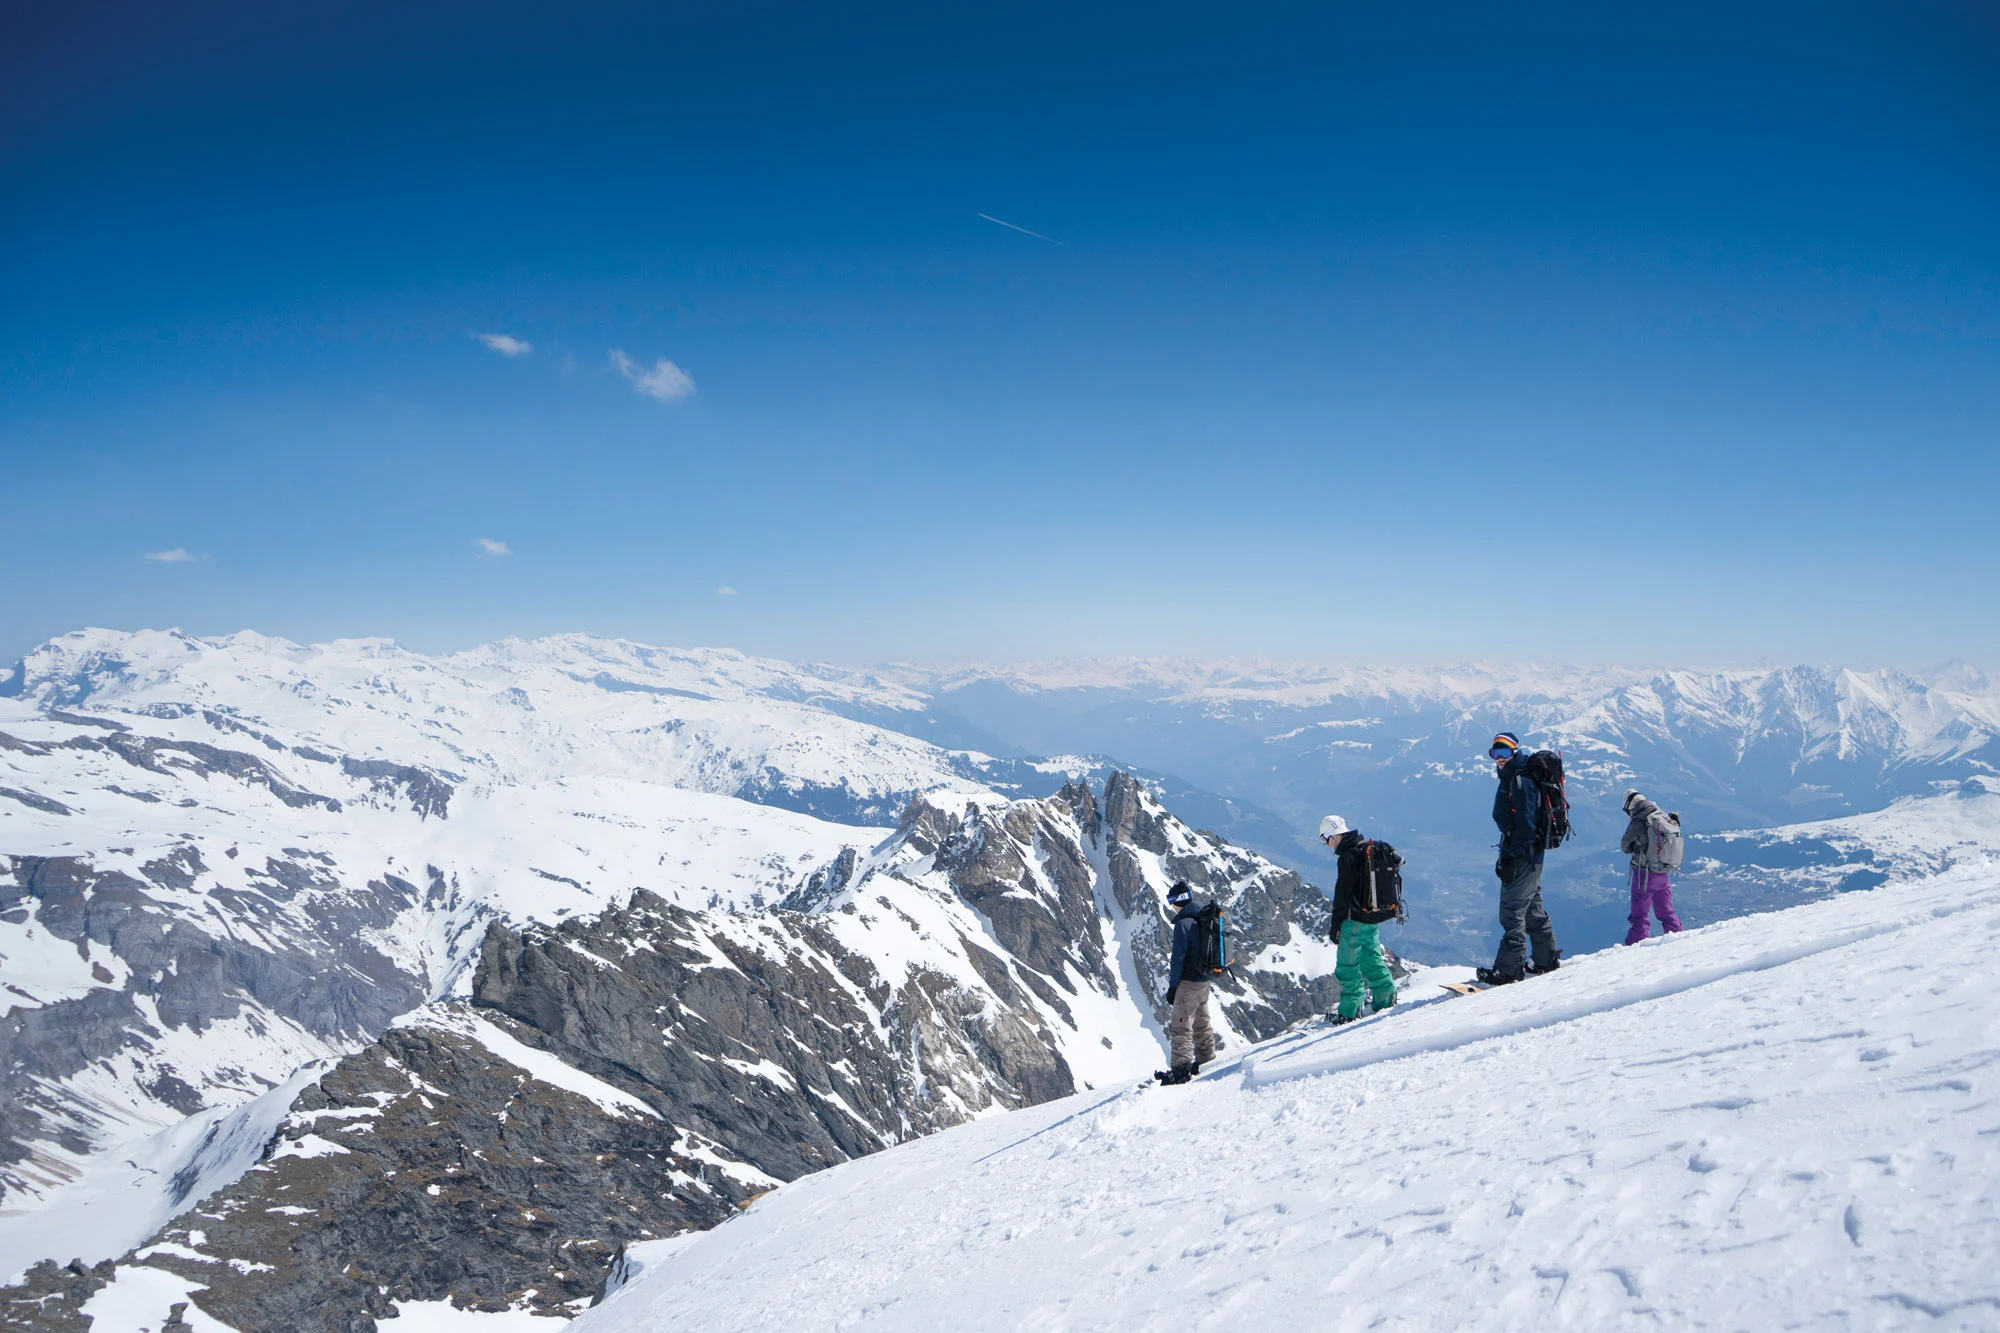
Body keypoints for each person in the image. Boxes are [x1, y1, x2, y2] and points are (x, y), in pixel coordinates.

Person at [1477, 732, 1561, 985]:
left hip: (1523, 855)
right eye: (1495, 753)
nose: (1499, 758)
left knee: (1512, 912)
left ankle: (1508, 971)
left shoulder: (1520, 780)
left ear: (1514, 751)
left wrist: (1513, 855)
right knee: (1532, 910)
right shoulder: (1516, 776)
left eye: (1504, 752)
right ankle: (1546, 960)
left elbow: (1526, 822)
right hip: (1531, 855)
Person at [1319, 814, 1398, 1025]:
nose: (1326, 844)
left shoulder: (1347, 856)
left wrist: (1336, 925)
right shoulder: (1363, 847)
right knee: (1370, 958)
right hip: (1372, 917)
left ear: (1332, 835)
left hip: (1354, 920)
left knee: (1347, 966)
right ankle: (1385, 997)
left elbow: (1342, 895)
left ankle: (1349, 1011)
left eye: (1324, 839)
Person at [1156, 882, 1216, 1085]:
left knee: (1181, 1026)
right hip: (1204, 981)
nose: (1171, 905)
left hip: (1188, 983)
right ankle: (1206, 1060)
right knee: (1201, 1022)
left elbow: (1177, 959)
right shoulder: (1203, 918)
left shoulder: (1183, 924)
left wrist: (1173, 987)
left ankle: (1181, 1071)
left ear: (1177, 901)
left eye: (1171, 901)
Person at [1620, 789, 1684, 943]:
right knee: (1666, 911)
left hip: (1645, 874)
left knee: (1639, 915)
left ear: (1630, 806)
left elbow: (1625, 846)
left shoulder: (1638, 820)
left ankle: (1636, 943)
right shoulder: (1660, 815)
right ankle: (1678, 937)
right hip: (1663, 872)